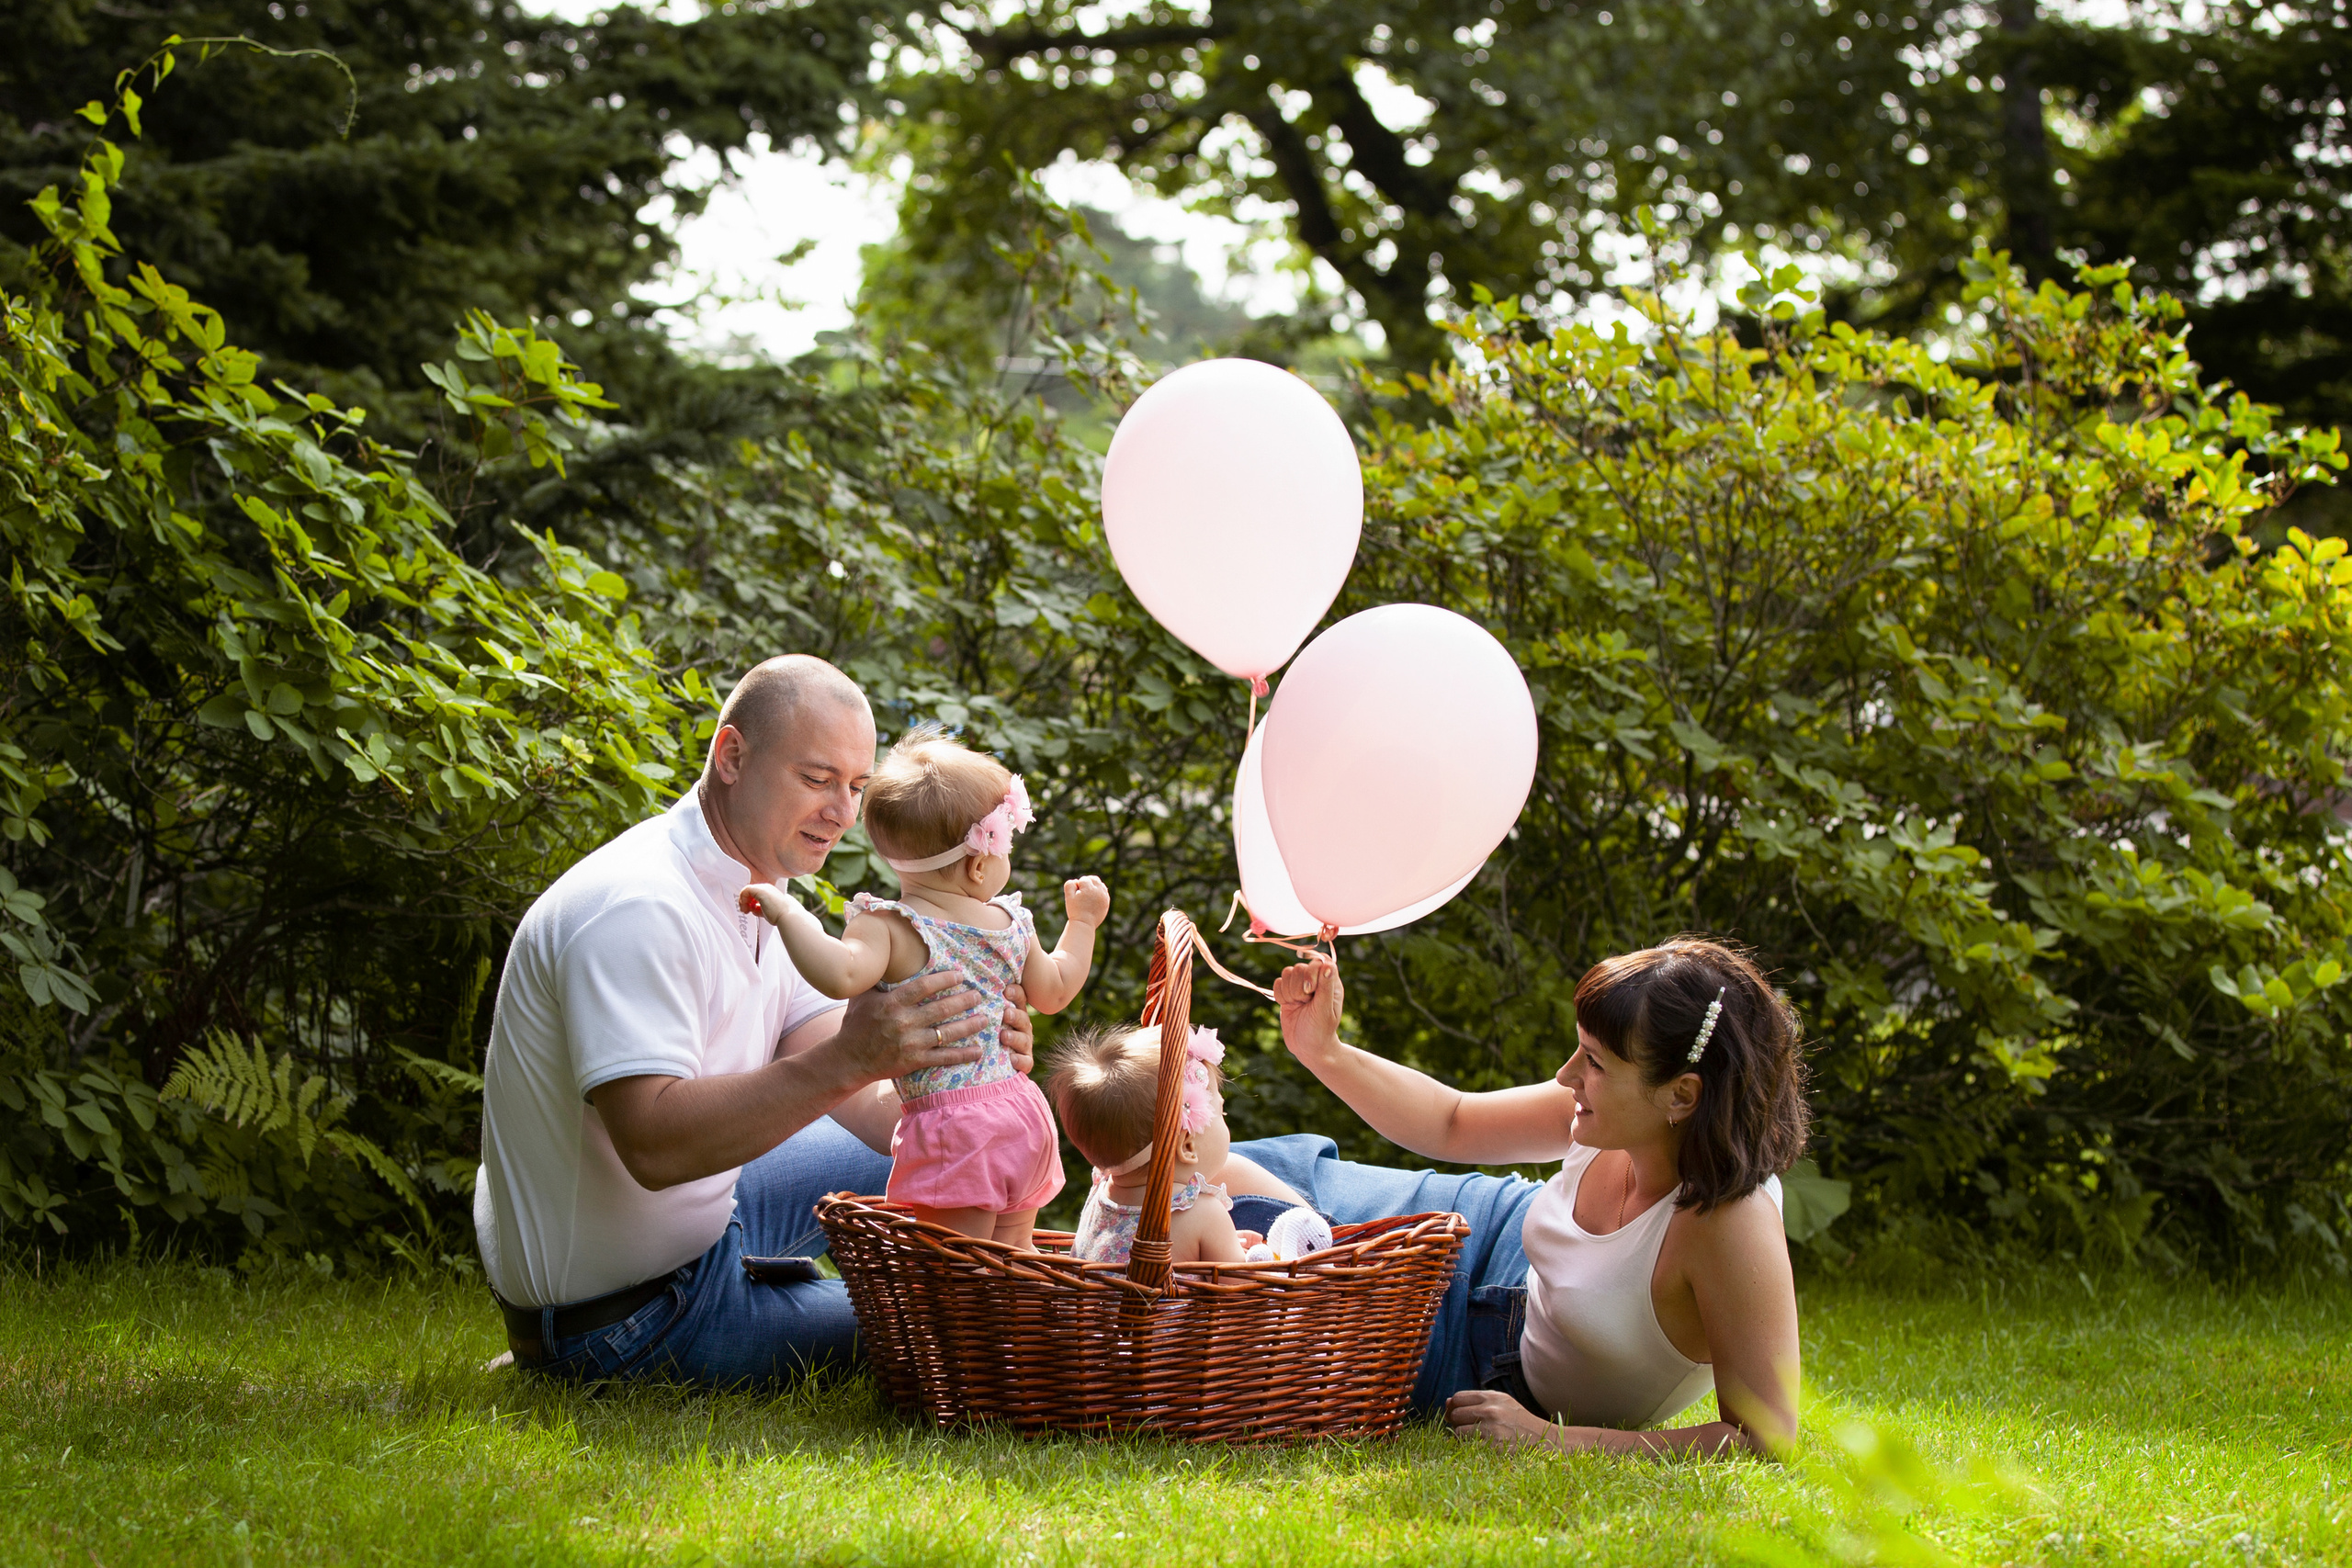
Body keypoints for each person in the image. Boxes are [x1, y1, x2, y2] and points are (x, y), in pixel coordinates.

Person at [472, 655, 1039, 1385]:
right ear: (732, 755)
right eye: (817, 778)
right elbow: (653, 1145)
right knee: (956, 1329)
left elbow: (865, 1097)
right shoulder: (639, 905)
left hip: (715, 1213)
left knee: (969, 1146)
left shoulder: (764, 889)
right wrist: (851, 1059)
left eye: (857, 786)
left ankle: (1202, 1208)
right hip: (629, 1318)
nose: (842, 810)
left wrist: (964, 1069)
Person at [1241, 936, 1807, 1457]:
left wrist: (1551, 1439)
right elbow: (1453, 1122)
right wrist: (1324, 1050)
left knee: (1263, 1243)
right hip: (1489, 1230)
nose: (1566, 1076)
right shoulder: (1606, 1113)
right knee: (1247, 1169)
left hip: (1485, 1363)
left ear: (1681, 1096)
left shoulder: (1729, 1223)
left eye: (1595, 1063)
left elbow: (1764, 1436)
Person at [741, 725, 1109, 1251]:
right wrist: (1083, 924)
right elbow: (1055, 992)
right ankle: (1012, 1334)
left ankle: (960, 1336)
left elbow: (838, 972)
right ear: (981, 862)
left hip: (954, 1130)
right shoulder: (1011, 924)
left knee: (955, 1279)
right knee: (1011, 1267)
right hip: (1021, 1115)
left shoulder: (891, 926)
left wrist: (788, 913)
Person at [1046, 1022, 1249, 1266]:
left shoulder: (1102, 1194)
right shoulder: (1204, 1214)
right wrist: (1254, 1258)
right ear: (1187, 1146)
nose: (1226, 1122)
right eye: (1221, 1113)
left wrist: (1218, 1245)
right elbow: (1240, 1289)